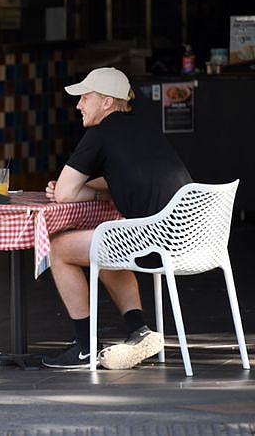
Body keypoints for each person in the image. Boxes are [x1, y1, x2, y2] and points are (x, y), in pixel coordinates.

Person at [42, 67, 192, 369]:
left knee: (58, 247)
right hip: (192, 238)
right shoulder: (145, 128)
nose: (78, 105)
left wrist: (85, 190)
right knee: (106, 238)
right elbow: (124, 179)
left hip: (156, 242)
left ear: (107, 102)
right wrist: (96, 190)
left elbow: (64, 194)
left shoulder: (100, 133)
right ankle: (140, 331)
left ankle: (85, 347)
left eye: (85, 98)